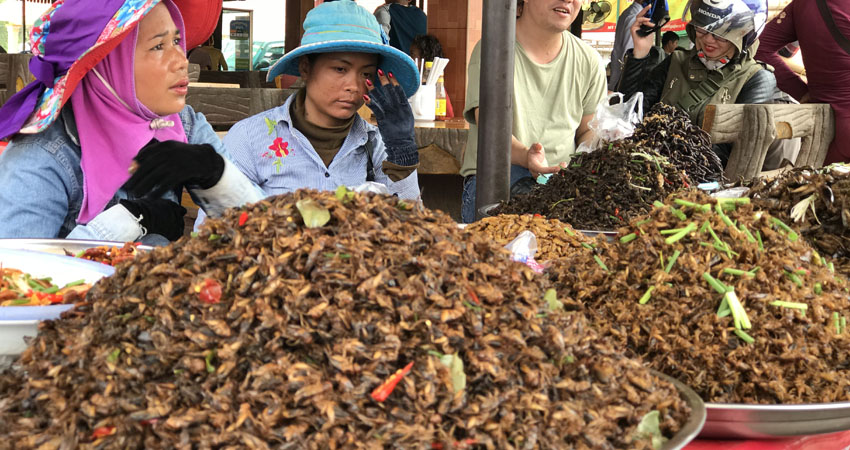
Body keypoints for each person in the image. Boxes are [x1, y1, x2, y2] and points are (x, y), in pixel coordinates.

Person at [0, 0, 264, 243]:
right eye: (158, 46)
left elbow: (264, 232)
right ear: (105, 62)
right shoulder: (42, 154)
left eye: (177, 41)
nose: (182, 61)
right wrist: (131, 219)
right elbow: (17, 277)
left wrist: (214, 172)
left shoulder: (183, 126)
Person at [221, 0, 420, 200]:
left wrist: (402, 153)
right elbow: (217, 224)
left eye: (366, 74)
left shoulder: (377, 144)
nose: (353, 86)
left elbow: (413, 226)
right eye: (340, 69)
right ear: (306, 68)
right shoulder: (249, 140)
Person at [460, 0, 607, 223]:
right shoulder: (493, 49)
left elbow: (588, 131)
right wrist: (527, 157)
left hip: (561, 188)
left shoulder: (590, 61)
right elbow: (490, 129)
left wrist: (585, 162)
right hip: (499, 183)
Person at [618, 0, 776, 167]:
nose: (708, 39)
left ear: (744, 34)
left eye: (720, 34)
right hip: (651, 166)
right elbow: (629, 114)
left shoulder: (756, 78)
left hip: (706, 182)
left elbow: (734, 150)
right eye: (702, 28)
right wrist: (639, 54)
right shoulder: (676, 62)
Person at [755, 0, 850, 164]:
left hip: (826, 129)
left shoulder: (805, 4)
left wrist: (800, 91)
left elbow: (759, 48)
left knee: (820, 186)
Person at [409, 34, 454, 118]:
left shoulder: (436, 87)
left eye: (412, 54)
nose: (409, 58)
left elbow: (448, 116)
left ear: (425, 58)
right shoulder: (409, 82)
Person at [609, 0, 648, 91]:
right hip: (624, 86)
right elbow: (628, 56)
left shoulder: (631, 14)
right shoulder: (634, 17)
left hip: (622, 83)